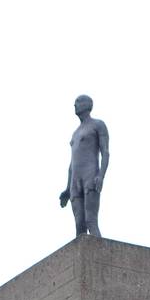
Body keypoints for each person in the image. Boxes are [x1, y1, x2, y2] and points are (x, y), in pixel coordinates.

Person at [59, 95, 109, 237]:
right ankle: (81, 258)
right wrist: (67, 188)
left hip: (90, 175)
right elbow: (71, 163)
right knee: (79, 224)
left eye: (78, 102)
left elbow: (105, 152)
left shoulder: (98, 125)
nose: (75, 105)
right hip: (75, 179)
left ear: (88, 105)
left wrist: (101, 176)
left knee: (90, 221)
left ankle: (100, 258)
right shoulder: (75, 133)